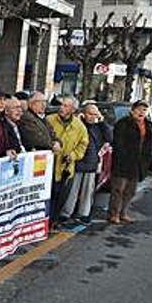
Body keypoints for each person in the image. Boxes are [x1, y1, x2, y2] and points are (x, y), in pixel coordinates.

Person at [60, 103, 109, 224]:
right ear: (84, 113)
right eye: (89, 114)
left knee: (87, 192)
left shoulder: (98, 127)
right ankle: (66, 213)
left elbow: (109, 137)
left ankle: (84, 214)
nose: (92, 117)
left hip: (91, 163)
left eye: (94, 114)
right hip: (76, 162)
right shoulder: (77, 124)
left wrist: (102, 121)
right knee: (72, 190)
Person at [108, 100, 152, 224]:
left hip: (138, 164)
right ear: (132, 111)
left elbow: (148, 145)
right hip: (123, 162)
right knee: (118, 189)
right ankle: (114, 214)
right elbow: (118, 143)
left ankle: (123, 213)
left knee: (130, 191)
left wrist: (146, 161)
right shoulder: (123, 124)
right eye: (139, 109)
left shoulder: (148, 125)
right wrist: (121, 157)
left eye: (144, 110)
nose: (141, 112)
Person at [46, 96, 88, 225]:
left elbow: (83, 145)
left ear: (73, 109)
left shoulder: (79, 126)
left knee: (60, 197)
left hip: (65, 168)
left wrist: (73, 156)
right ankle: (45, 222)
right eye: (61, 105)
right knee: (48, 196)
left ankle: (54, 221)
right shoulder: (49, 120)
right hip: (48, 165)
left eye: (65, 106)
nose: (61, 108)